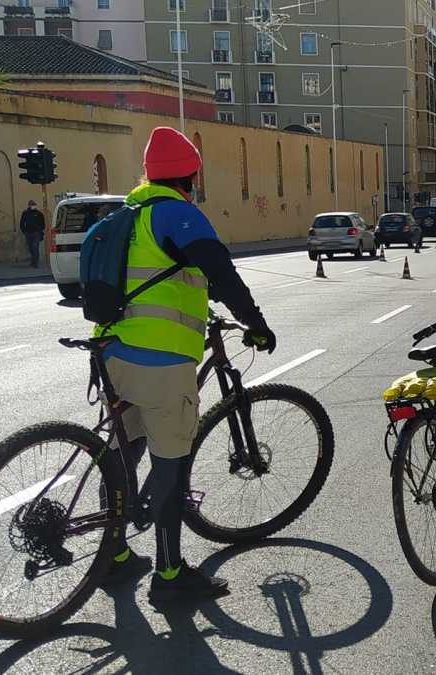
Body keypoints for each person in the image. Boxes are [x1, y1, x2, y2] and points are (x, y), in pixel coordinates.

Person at [93, 127, 277, 606]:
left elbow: (164, 276)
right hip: (160, 358)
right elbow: (222, 274)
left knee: (124, 451)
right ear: (190, 177)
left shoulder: (129, 214)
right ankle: (170, 574)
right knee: (170, 462)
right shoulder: (179, 214)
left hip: (111, 351)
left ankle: (113, 554)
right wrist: (256, 324)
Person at [19, 200, 46, 268]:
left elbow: (43, 224)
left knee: (35, 247)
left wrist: (40, 230)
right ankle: (33, 261)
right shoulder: (25, 213)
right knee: (30, 248)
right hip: (28, 233)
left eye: (33, 205)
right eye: (31, 205)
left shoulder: (39, 213)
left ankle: (35, 263)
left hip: (36, 234)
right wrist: (24, 231)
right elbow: (22, 223)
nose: (32, 206)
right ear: (29, 205)